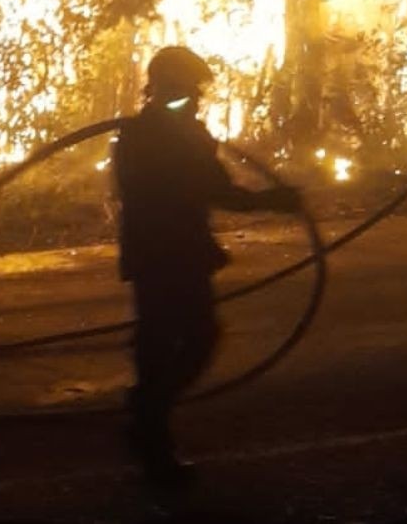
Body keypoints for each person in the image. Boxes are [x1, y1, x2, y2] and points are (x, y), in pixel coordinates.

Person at [112, 46, 303, 487]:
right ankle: (151, 432)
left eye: (195, 93)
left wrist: (267, 200)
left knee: (188, 338)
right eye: (183, 94)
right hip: (162, 255)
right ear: (159, 91)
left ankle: (147, 417)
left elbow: (214, 188)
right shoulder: (143, 138)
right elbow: (201, 190)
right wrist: (270, 200)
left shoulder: (181, 133)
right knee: (172, 341)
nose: (194, 100)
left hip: (178, 252)